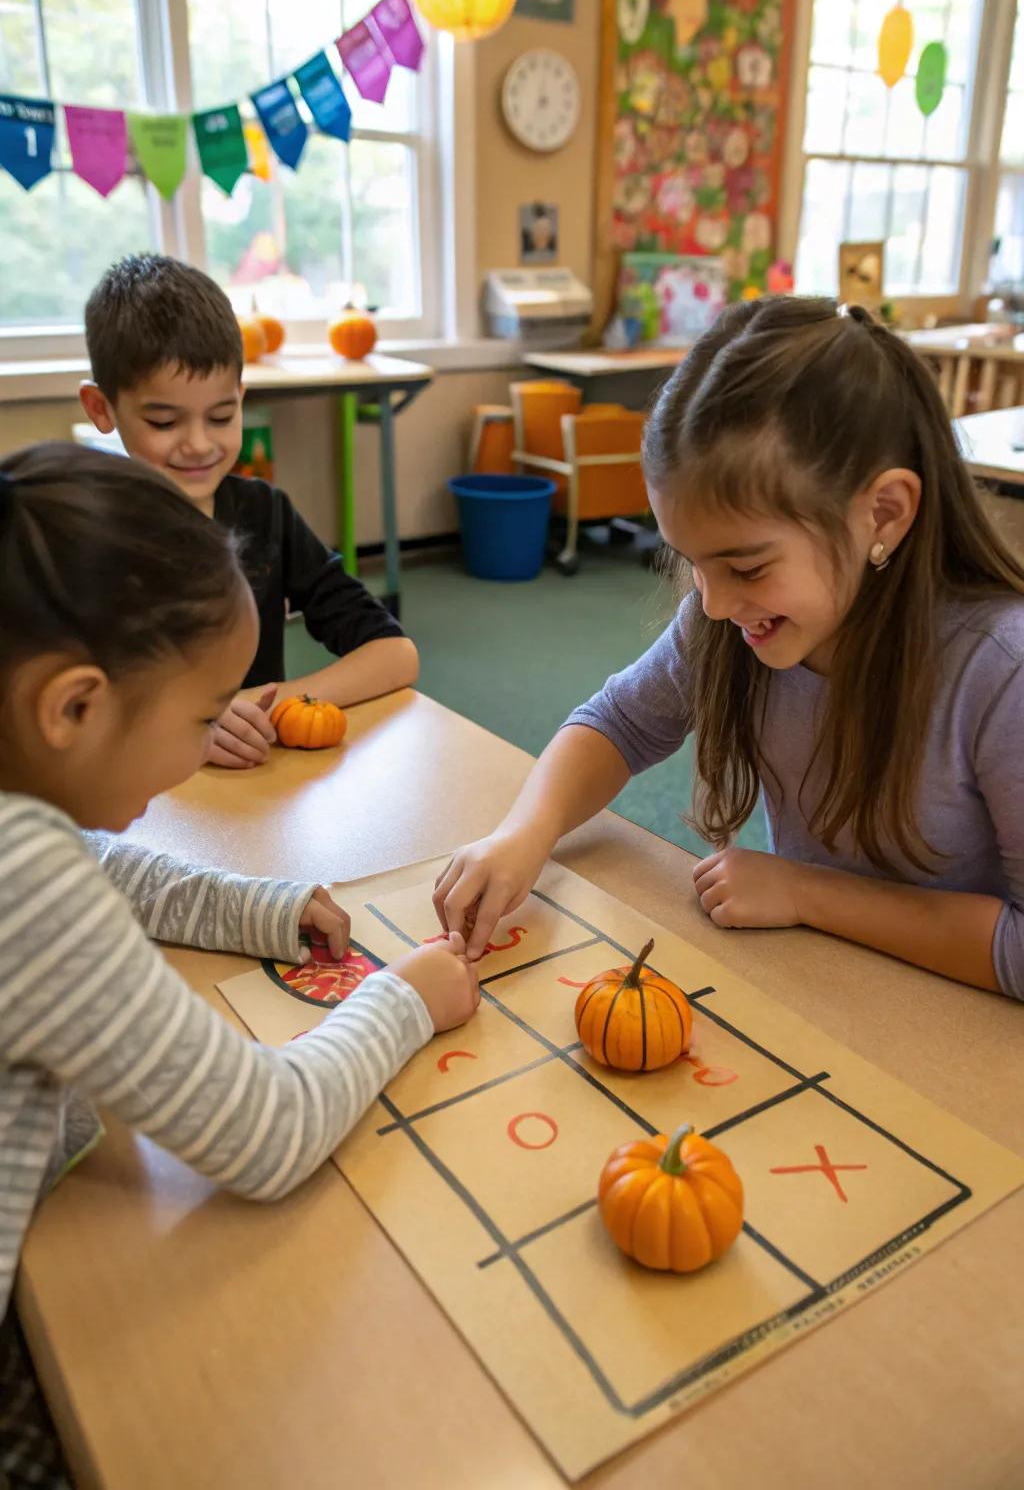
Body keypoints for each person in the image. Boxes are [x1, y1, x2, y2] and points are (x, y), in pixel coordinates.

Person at [0, 443, 477, 1486]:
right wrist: (402, 997)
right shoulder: (19, 881)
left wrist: (263, 905)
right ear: (73, 707)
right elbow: (265, 1134)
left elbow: (99, 865)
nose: (206, 746)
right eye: (202, 719)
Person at [433, 298, 1024, 1001]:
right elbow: (617, 724)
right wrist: (524, 835)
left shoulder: (1000, 671)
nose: (711, 604)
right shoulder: (734, 619)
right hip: (819, 986)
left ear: (884, 514)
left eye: (746, 567)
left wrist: (808, 893)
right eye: (690, 561)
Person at [79, 254, 419, 770]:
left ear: (241, 397)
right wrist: (184, 727)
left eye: (221, 416)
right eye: (165, 421)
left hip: (256, 793)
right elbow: (61, 709)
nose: (198, 444)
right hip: (139, 800)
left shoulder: (265, 514)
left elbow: (395, 655)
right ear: (102, 409)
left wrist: (269, 706)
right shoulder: (79, 532)